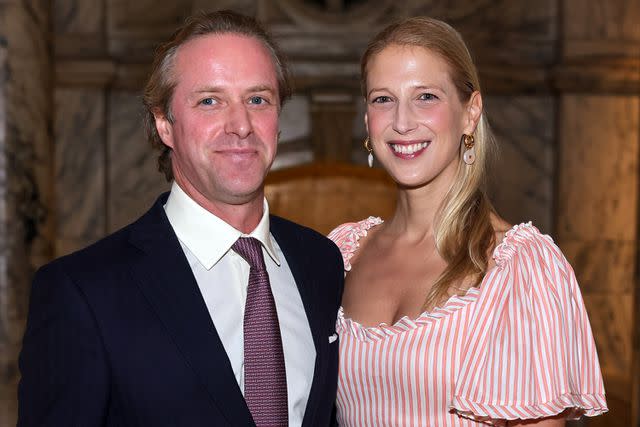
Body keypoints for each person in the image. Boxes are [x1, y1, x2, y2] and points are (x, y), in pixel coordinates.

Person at [18, 10, 343, 427]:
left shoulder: (322, 263)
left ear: (278, 119)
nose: (241, 125)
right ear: (164, 125)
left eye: (258, 99)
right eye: (210, 101)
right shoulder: (83, 292)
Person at [329, 17, 607, 426]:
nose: (402, 122)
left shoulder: (520, 269)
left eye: (425, 96)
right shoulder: (340, 251)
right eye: (382, 99)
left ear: (470, 112)